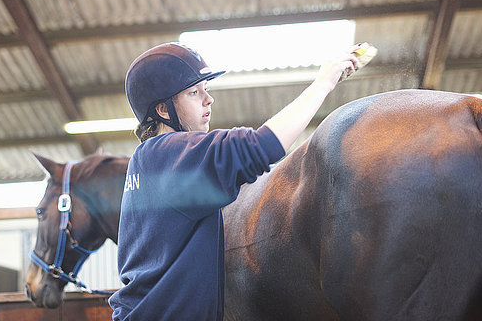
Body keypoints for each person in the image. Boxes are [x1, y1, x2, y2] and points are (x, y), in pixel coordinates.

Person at [109, 42, 358, 320]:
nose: (208, 99)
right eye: (193, 92)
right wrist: (323, 83)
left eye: (206, 89)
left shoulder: (147, 162)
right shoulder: (171, 153)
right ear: (164, 111)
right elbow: (261, 146)